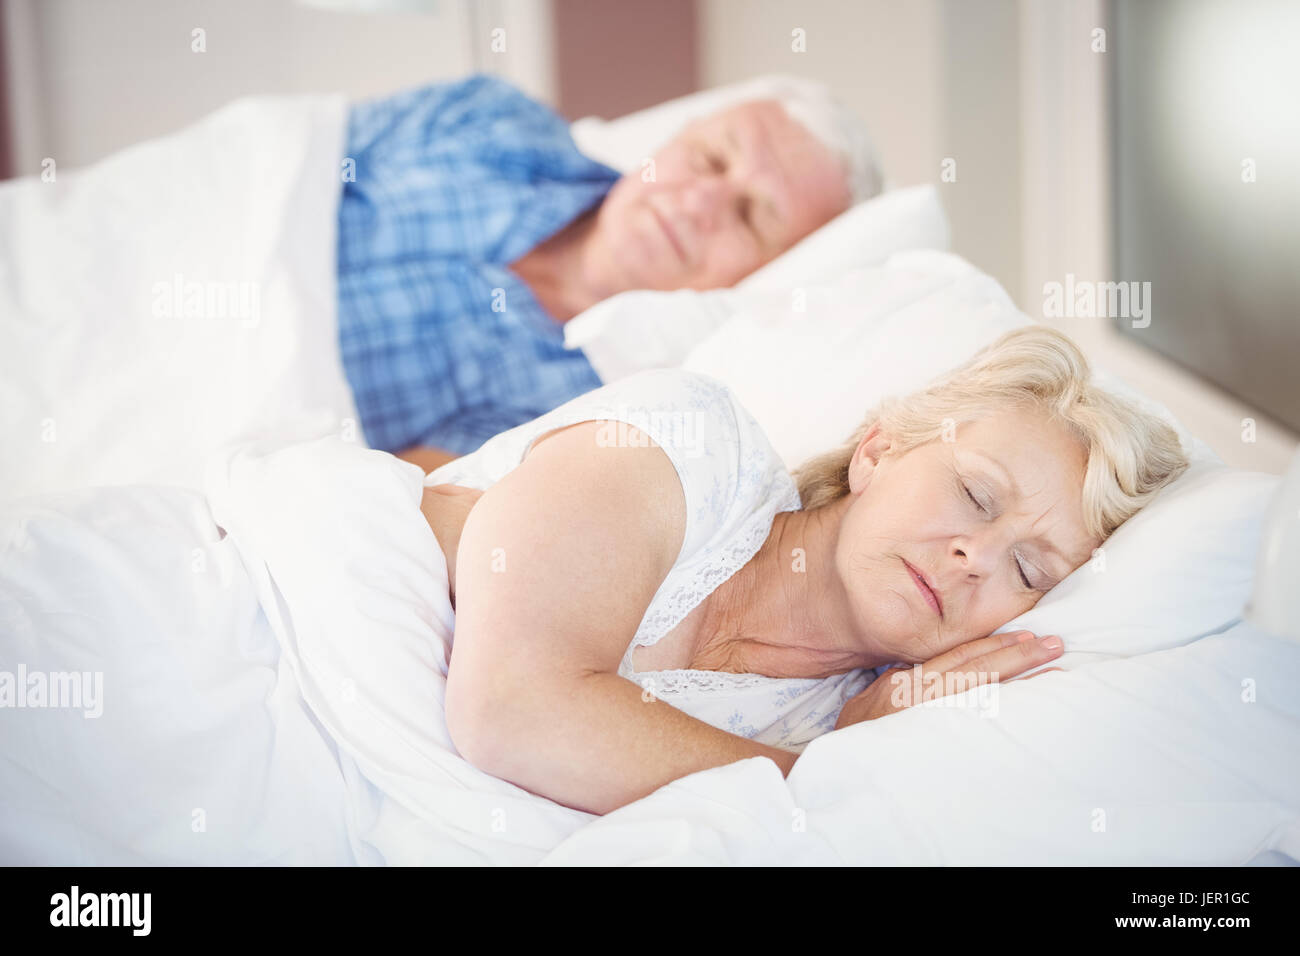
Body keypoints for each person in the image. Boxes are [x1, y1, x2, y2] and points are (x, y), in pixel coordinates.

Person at [420, 325, 1191, 816]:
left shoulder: (856, 726)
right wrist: (818, 774)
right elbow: (510, 710)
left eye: (1028, 570)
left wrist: (844, 754)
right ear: (880, 450)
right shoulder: (689, 447)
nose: (975, 559)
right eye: (974, 494)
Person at [337, 73, 878, 472]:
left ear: (769, 276)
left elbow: (382, 488)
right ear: (671, 139)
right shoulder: (490, 119)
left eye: (750, 217)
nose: (697, 203)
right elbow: (280, 160)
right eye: (710, 159)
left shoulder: (585, 419)